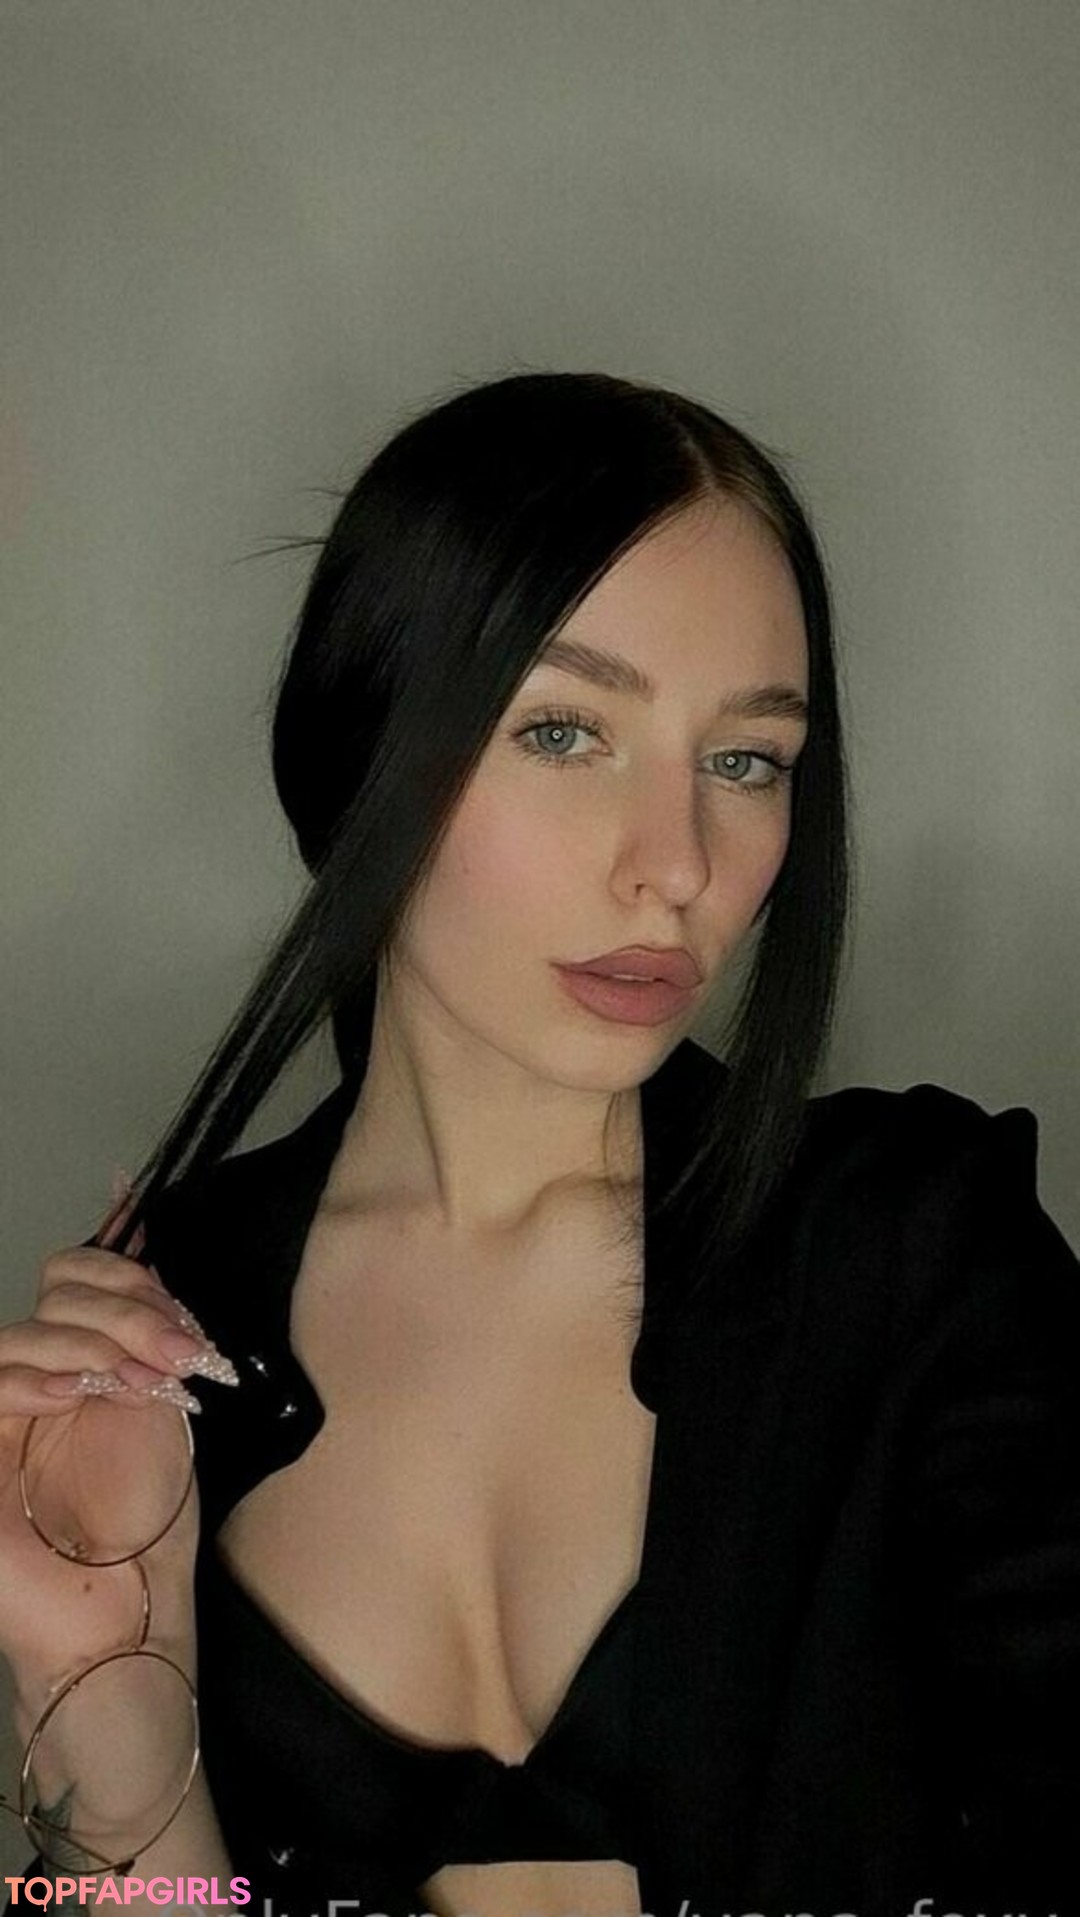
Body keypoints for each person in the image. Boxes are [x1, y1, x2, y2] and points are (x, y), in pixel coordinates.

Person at [2, 371, 1078, 1917]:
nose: (677, 865)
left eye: (747, 759)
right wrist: (111, 1739)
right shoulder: (160, 1342)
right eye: (566, 731)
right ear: (365, 744)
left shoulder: (915, 1250)